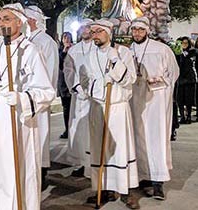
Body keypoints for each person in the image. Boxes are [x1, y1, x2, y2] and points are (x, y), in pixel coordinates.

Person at [0, 4, 56, 210]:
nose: (2, 23)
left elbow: (46, 92)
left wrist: (22, 98)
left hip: (15, 121)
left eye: (7, 18)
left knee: (11, 173)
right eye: (0, 19)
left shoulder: (31, 52)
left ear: (19, 22)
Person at [83, 19, 139, 209]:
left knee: (121, 150)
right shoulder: (90, 54)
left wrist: (115, 63)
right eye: (93, 32)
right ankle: (104, 189)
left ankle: (126, 191)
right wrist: (98, 86)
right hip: (98, 107)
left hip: (117, 108)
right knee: (101, 149)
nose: (95, 35)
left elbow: (130, 79)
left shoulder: (123, 52)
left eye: (99, 31)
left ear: (108, 32)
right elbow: (85, 80)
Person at [129, 17, 178, 201]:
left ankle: (158, 182)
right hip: (136, 101)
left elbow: (173, 73)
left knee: (156, 138)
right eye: (134, 30)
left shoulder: (161, 49)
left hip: (156, 101)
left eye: (140, 30)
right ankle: (143, 177)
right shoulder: (128, 51)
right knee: (138, 137)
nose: (137, 33)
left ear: (147, 31)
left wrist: (160, 80)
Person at [24, 5, 59, 188]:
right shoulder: (26, 40)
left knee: (40, 137)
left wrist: (44, 97)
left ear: (32, 21)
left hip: (39, 99)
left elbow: (51, 71)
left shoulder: (46, 42)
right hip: (24, 99)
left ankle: (41, 174)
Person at [64, 18, 94, 177]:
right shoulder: (73, 50)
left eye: (87, 28)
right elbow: (68, 70)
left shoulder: (98, 48)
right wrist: (76, 86)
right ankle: (79, 163)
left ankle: (91, 164)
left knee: (91, 131)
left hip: (95, 97)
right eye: (82, 28)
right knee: (77, 128)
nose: (84, 30)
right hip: (79, 96)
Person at [176, 37, 197, 125]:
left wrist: (185, 56)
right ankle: (182, 116)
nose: (184, 45)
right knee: (180, 99)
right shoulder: (178, 53)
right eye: (182, 43)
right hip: (180, 79)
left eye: (186, 43)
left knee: (188, 99)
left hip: (189, 79)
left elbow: (189, 63)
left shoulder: (192, 52)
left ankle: (188, 116)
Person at [58, 31, 74, 139]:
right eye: (64, 37)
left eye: (68, 37)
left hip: (73, 83)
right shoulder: (59, 50)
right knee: (66, 109)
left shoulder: (75, 49)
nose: (66, 39)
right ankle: (67, 129)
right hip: (63, 84)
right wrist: (64, 51)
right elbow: (59, 65)